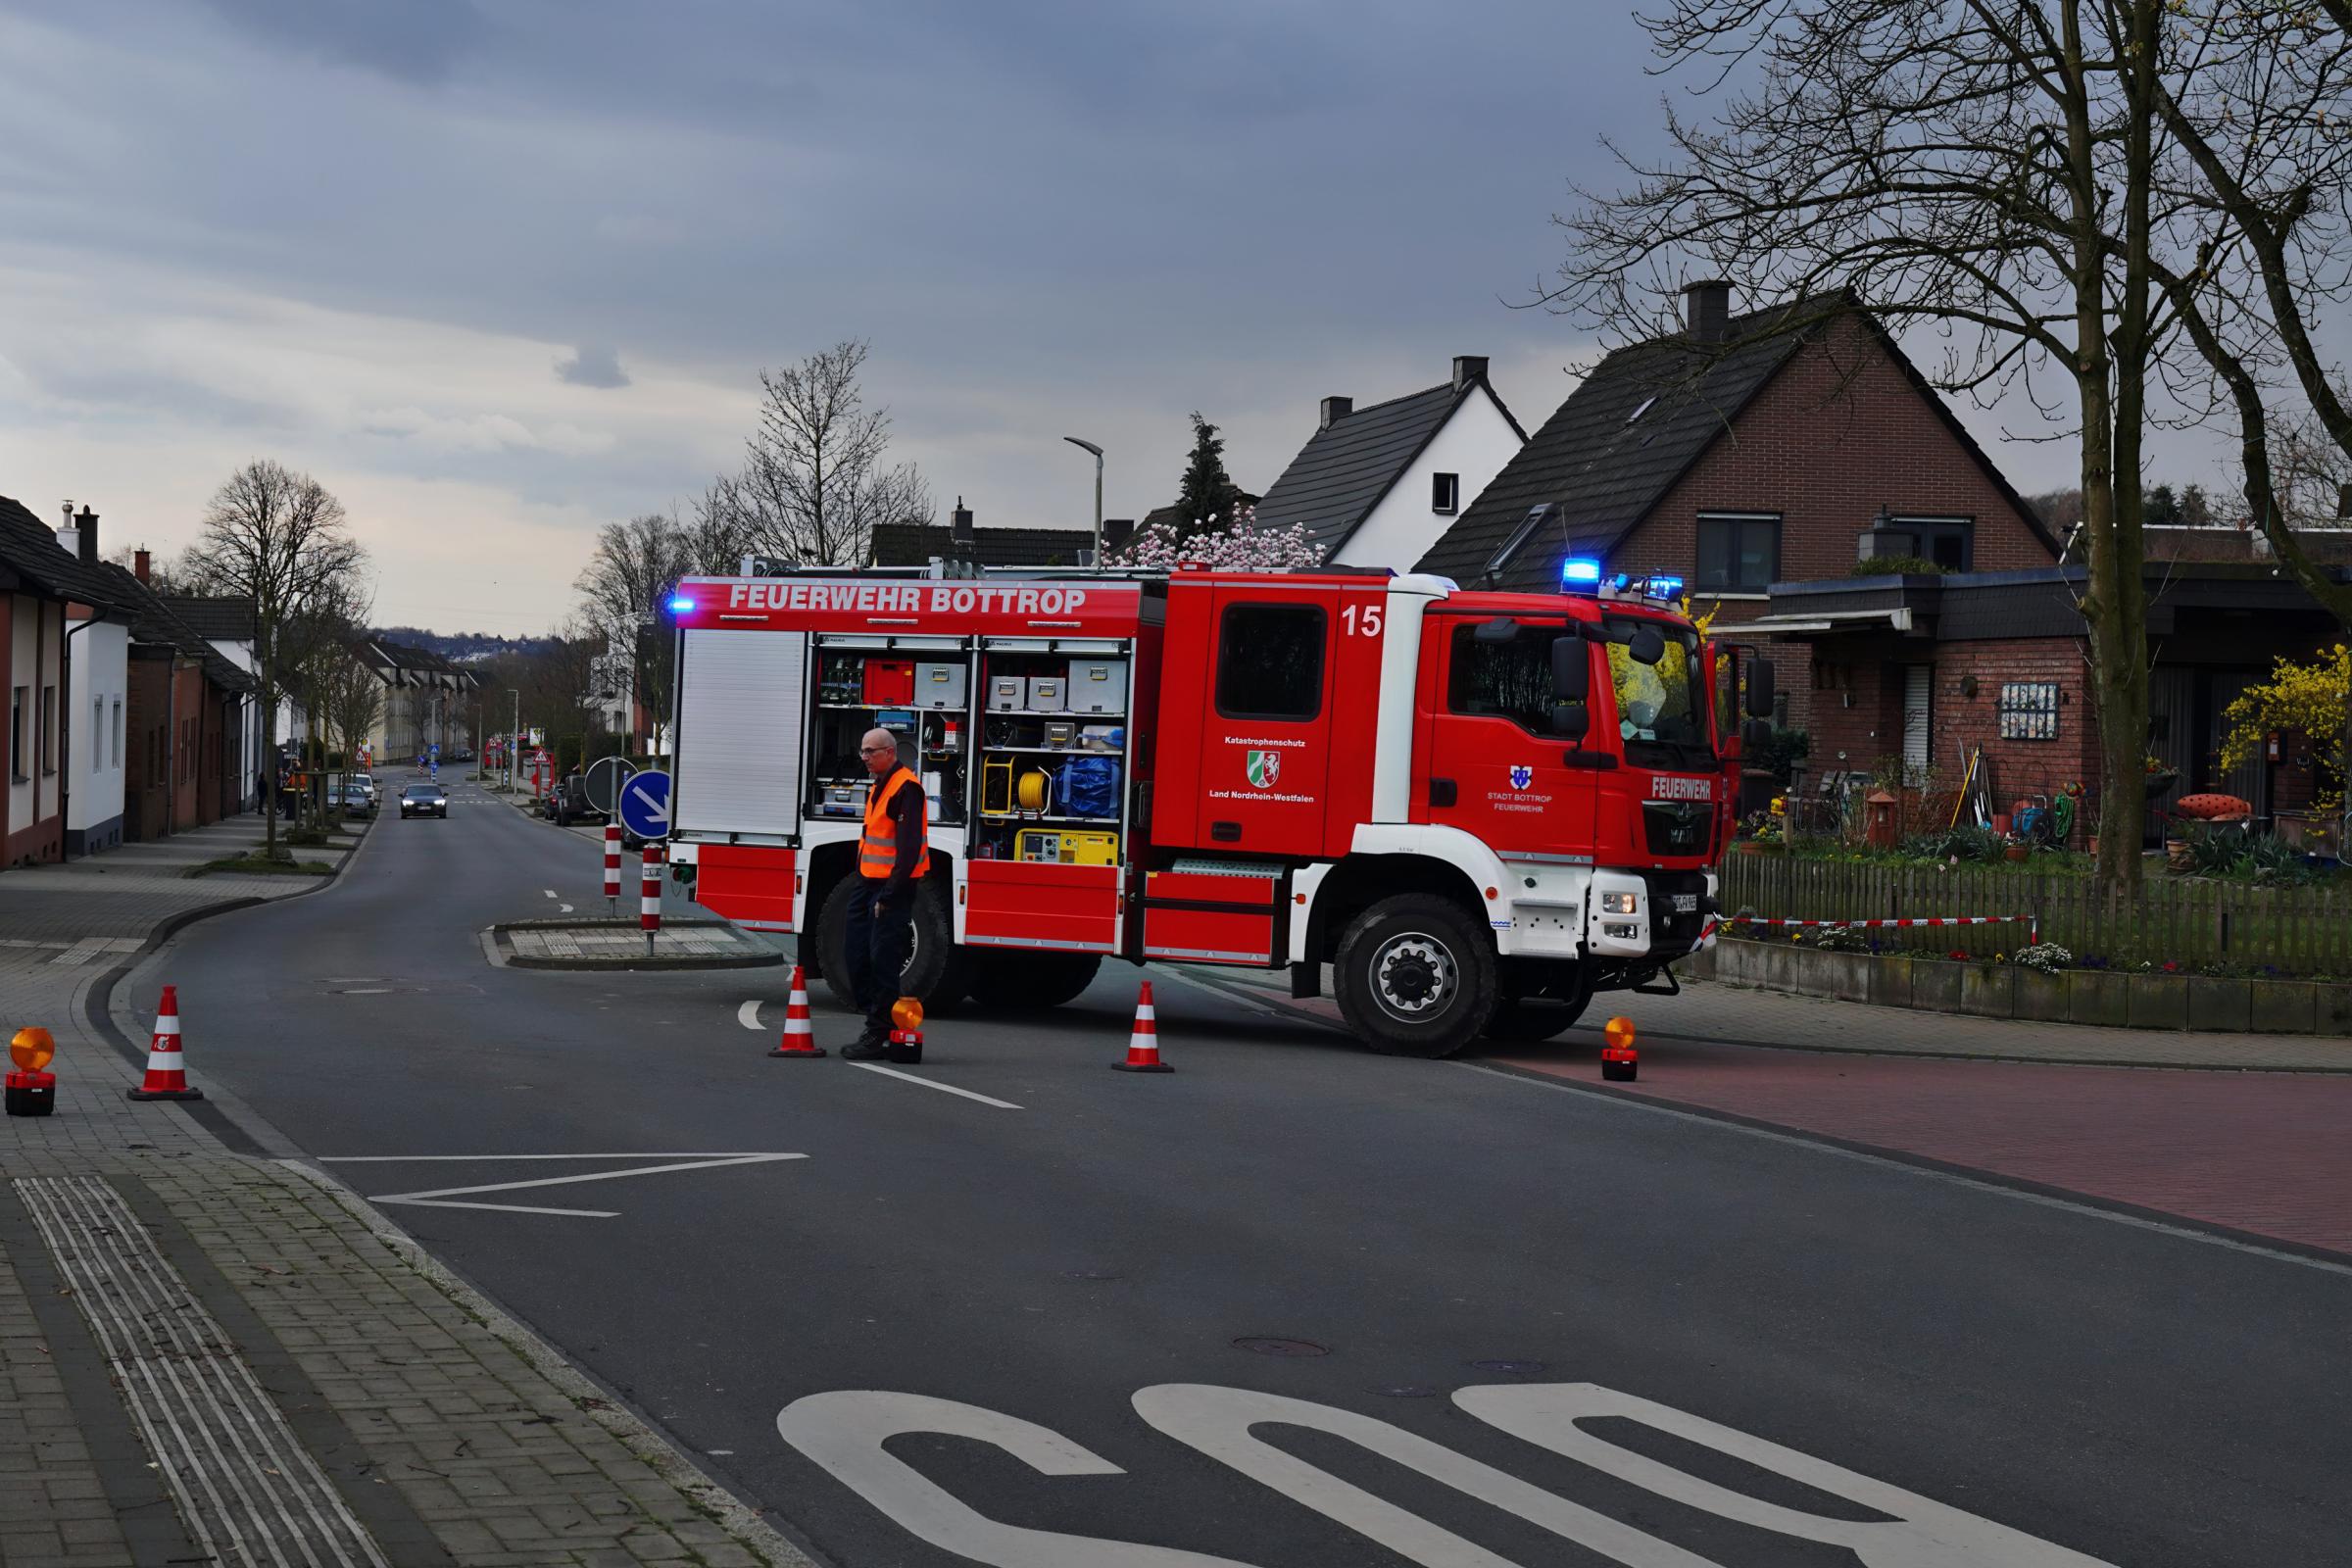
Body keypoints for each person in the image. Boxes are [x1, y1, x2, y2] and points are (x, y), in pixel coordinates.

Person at [838, 727, 928, 1059]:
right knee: (855, 953)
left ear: (889, 752)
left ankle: (878, 1032)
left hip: (892, 889)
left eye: (870, 751)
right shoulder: (879, 785)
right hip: (867, 884)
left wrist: (890, 895)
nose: (864, 757)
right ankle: (877, 1018)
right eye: (862, 751)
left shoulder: (907, 788)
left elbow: (907, 852)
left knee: (883, 960)